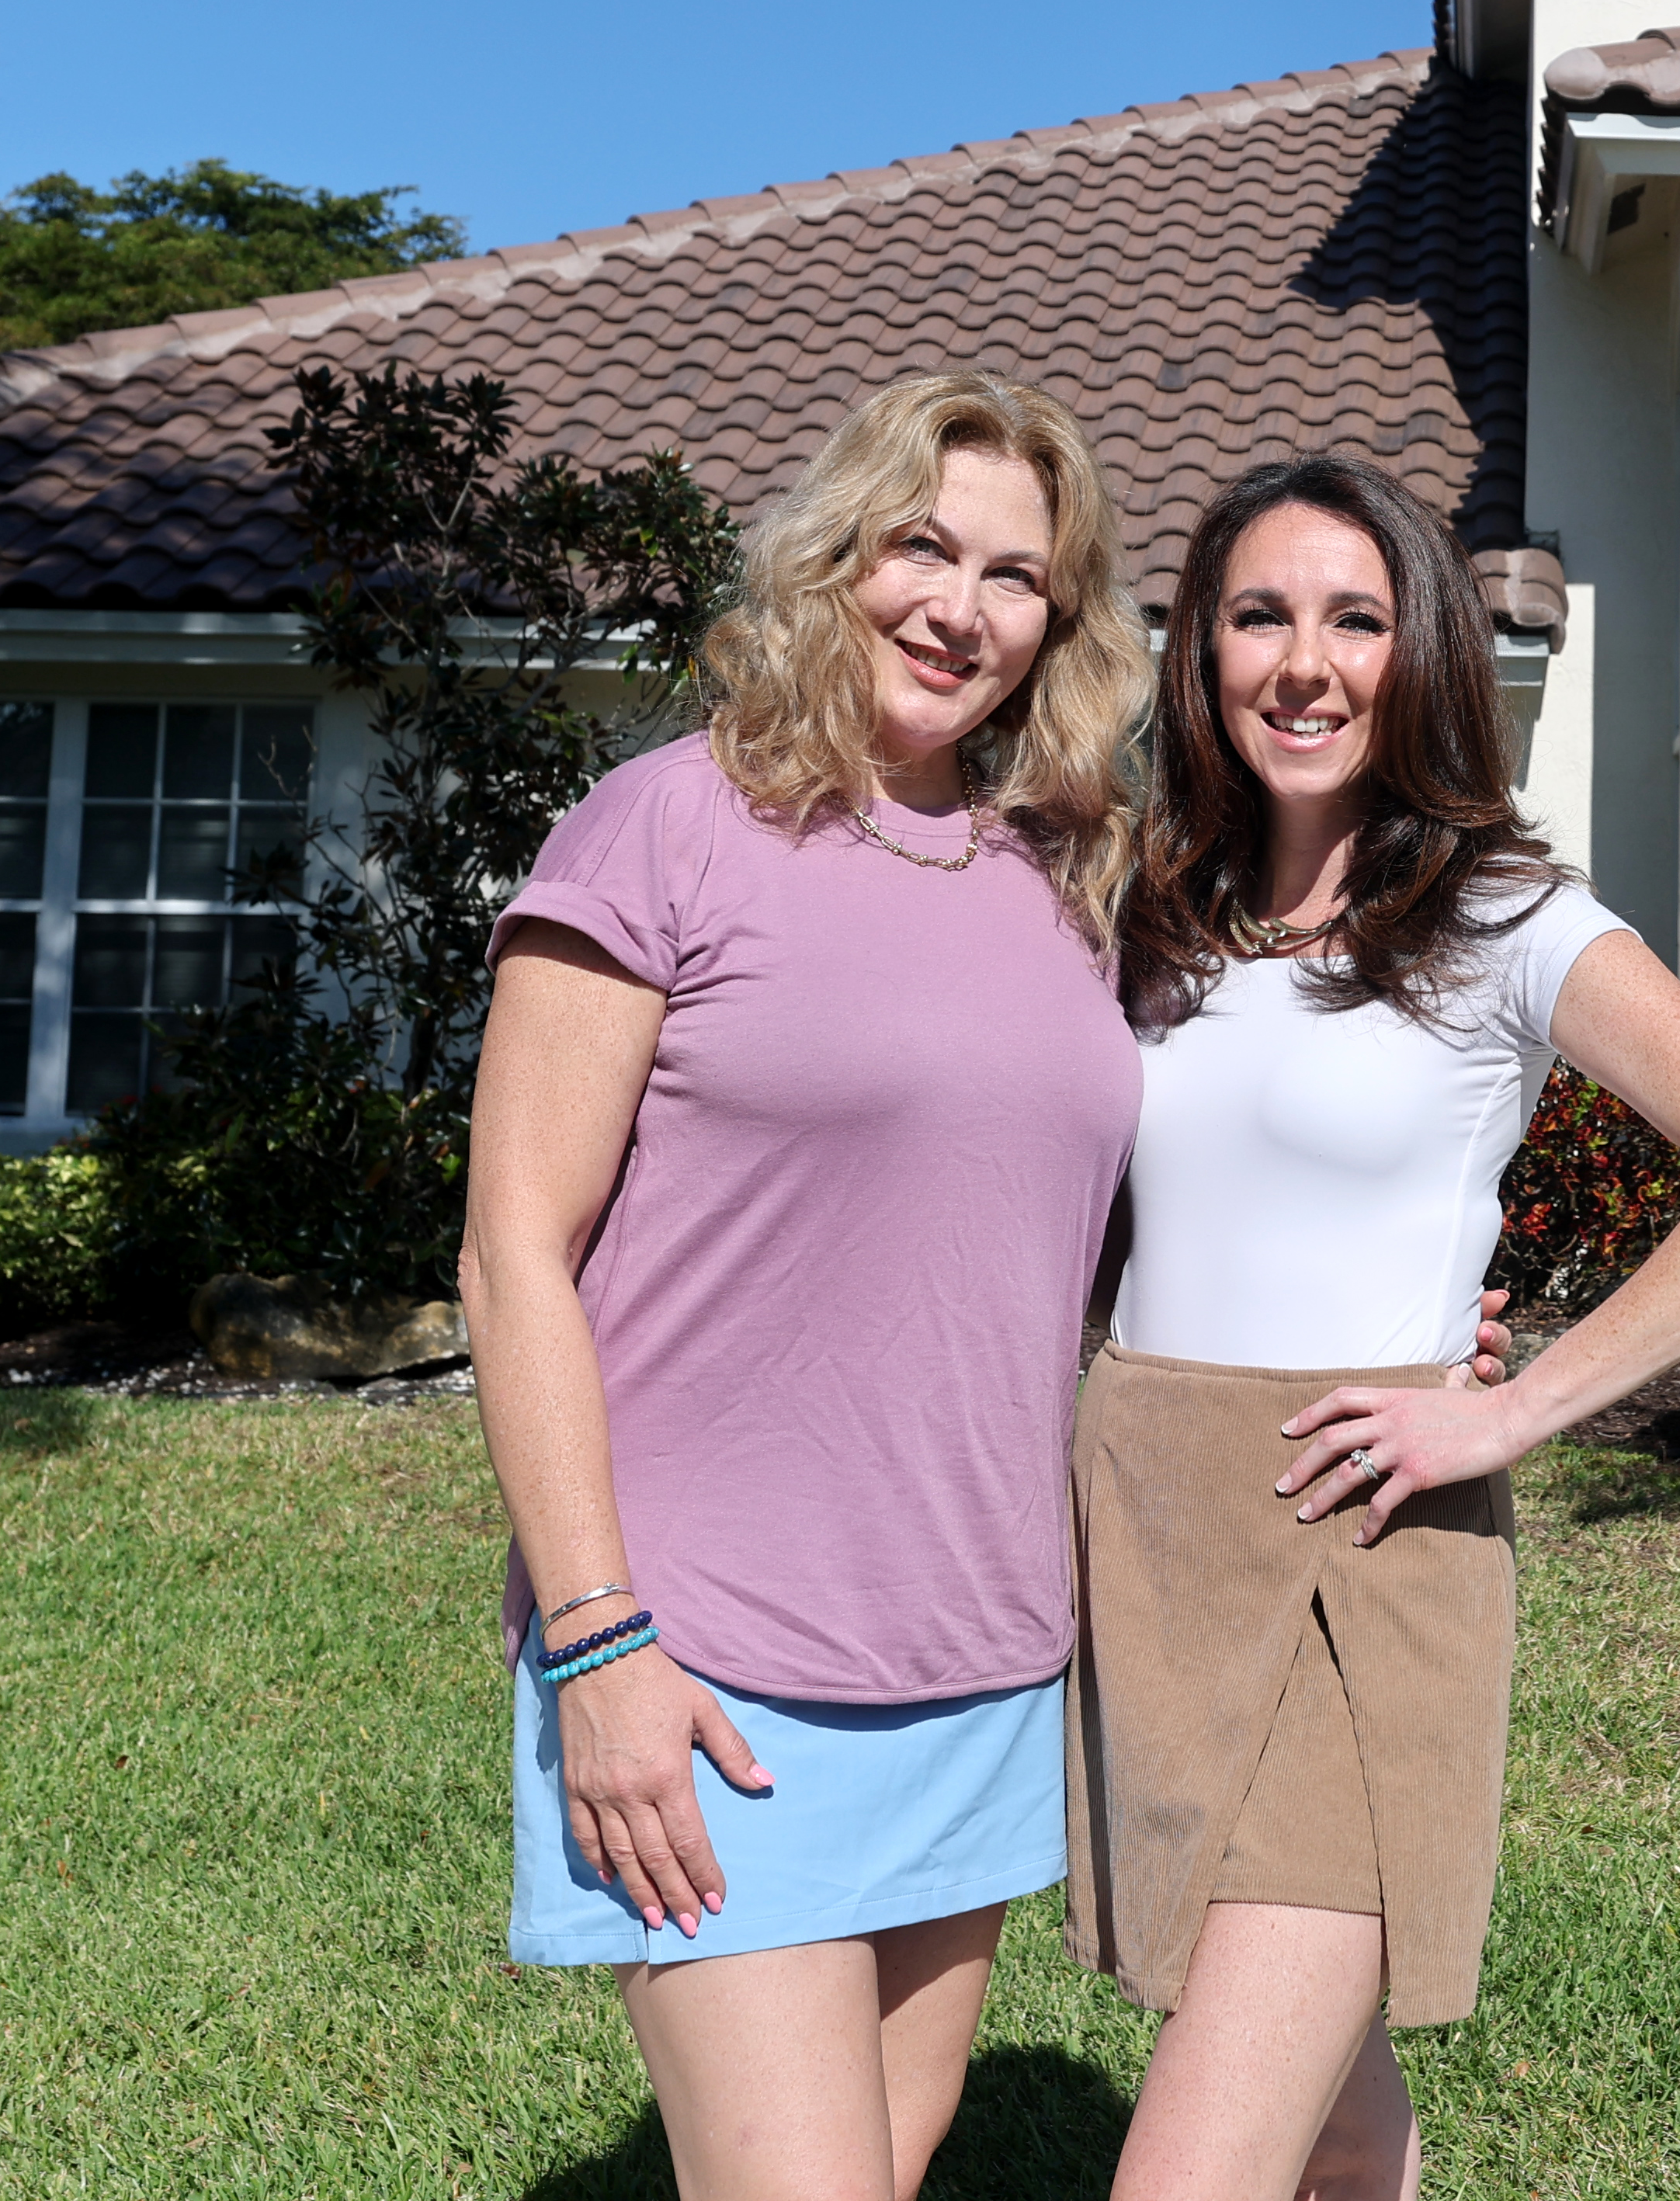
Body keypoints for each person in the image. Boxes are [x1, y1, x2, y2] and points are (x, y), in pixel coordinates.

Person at [1072, 456, 1680, 2201]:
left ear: (1420, 650)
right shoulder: (1156, 907)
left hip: (1361, 1549)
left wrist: (1514, 1410)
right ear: (1199, 653)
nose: (1303, 660)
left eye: (1354, 617)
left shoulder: (1502, 910)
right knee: (1339, 2120)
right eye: (1258, 614)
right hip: (1148, 1532)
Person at [462, 370, 1155, 2201]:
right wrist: (601, 1639)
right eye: (920, 544)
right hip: (712, 1660)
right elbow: (510, 1248)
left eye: (1018, 574)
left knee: (899, 2151)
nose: (959, 603)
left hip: (985, 1650)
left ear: (1060, 626)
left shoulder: (1070, 879)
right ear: (832, 556)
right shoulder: (663, 828)